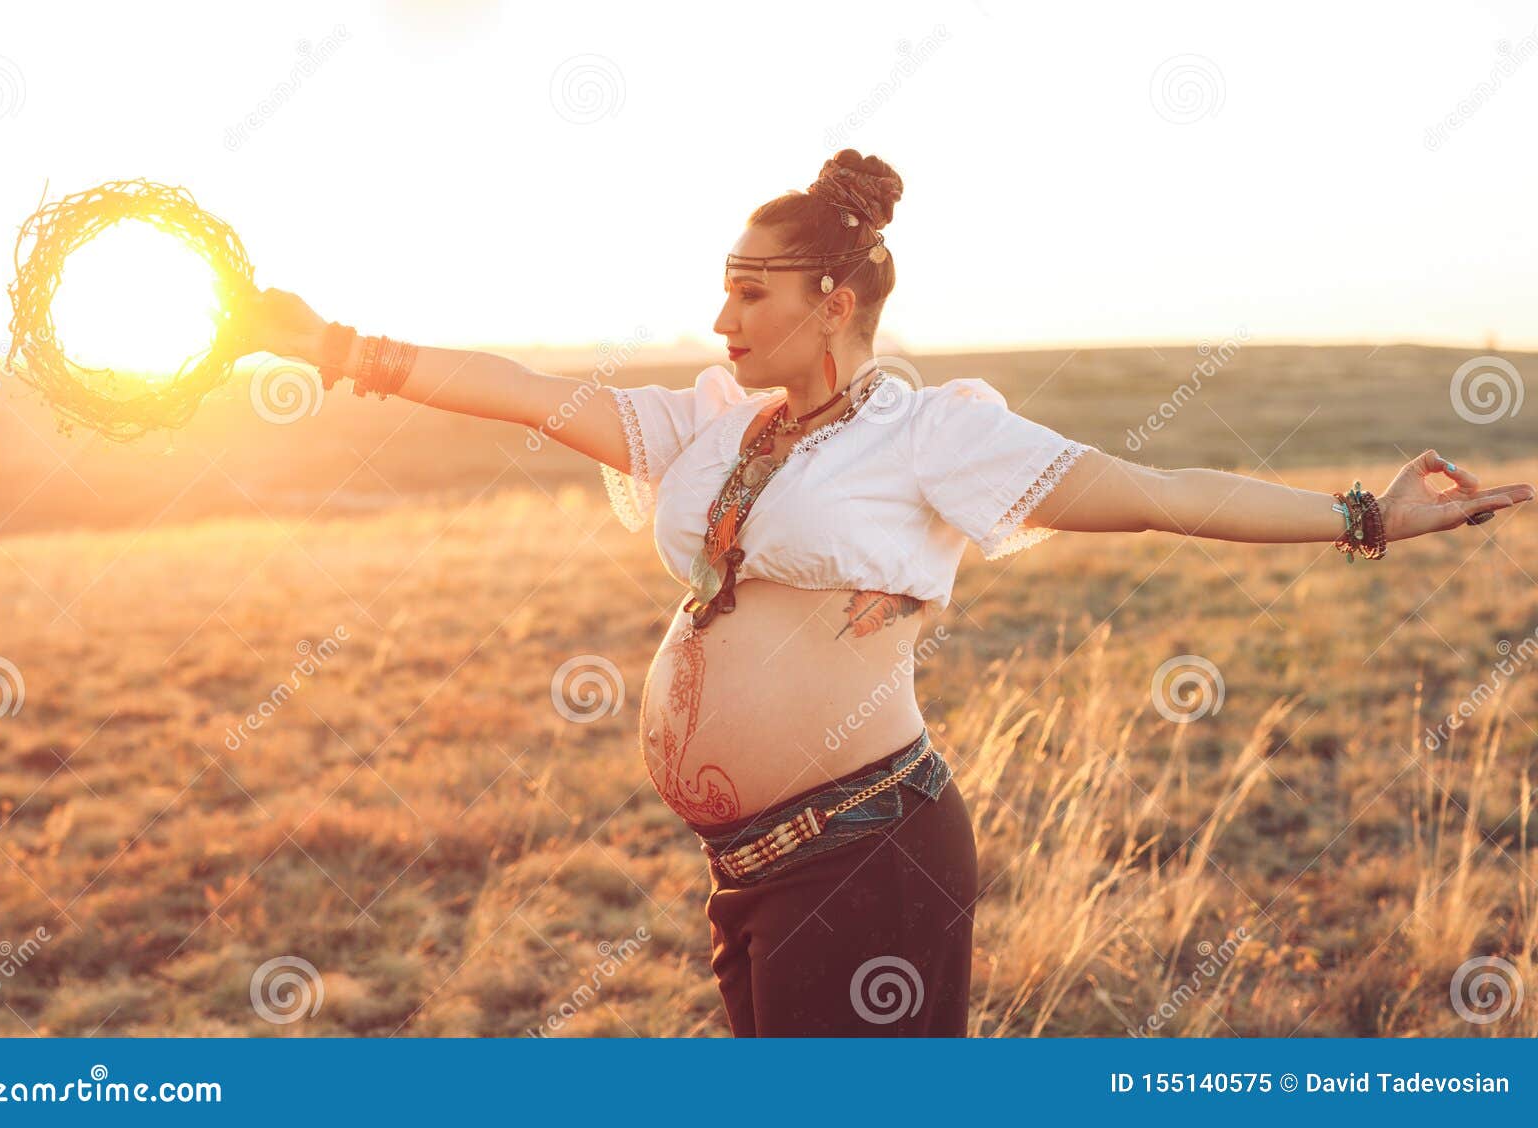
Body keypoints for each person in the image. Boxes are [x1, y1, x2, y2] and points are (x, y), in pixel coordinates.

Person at [227, 149, 1535, 1037]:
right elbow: (520, 391)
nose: (723, 320)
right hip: (753, 867)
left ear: (834, 297)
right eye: (721, 292)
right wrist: (333, 348)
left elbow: (1154, 490)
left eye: (750, 293)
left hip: (870, 858)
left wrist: (1365, 516)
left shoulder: (931, 437)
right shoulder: (714, 426)